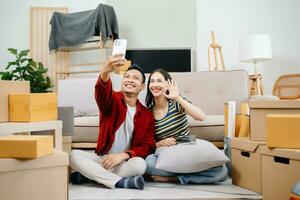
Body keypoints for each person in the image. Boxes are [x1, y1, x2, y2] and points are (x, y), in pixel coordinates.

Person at [69, 54, 155, 190]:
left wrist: (123, 155)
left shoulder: (147, 115)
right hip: (102, 159)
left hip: (123, 161)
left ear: (143, 86)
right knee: (73, 155)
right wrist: (105, 71)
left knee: (140, 165)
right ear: (122, 81)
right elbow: (102, 92)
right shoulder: (113, 99)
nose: (130, 80)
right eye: (127, 77)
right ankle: (119, 182)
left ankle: (91, 176)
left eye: (136, 78)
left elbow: (148, 146)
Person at [145, 68, 228, 184]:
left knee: (222, 171)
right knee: (148, 163)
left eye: (159, 81)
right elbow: (147, 143)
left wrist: (177, 97)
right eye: (152, 81)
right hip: (167, 154)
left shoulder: (176, 103)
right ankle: (193, 174)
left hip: (186, 147)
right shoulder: (147, 112)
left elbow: (201, 116)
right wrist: (161, 143)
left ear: (168, 84)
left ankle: (176, 178)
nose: (155, 85)